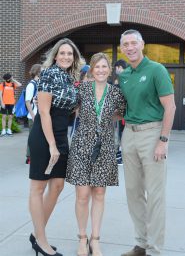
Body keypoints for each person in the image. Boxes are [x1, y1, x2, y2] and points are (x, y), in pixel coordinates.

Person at [119, 29, 176, 256]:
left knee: (155, 194)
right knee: (133, 192)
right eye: (126, 44)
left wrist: (163, 140)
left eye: (134, 43)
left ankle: (154, 249)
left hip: (152, 134)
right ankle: (141, 243)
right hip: (129, 135)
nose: (130, 48)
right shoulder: (124, 76)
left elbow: (170, 107)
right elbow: (123, 109)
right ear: (122, 48)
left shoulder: (156, 70)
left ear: (142, 44)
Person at [66, 53, 126, 256]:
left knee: (99, 193)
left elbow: (122, 113)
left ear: (110, 70)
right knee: (82, 195)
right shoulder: (82, 89)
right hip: (82, 144)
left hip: (106, 145)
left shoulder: (116, 93)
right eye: (97, 67)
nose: (101, 70)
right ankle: (82, 238)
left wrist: (106, 119)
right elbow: (70, 108)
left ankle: (95, 239)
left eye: (104, 66)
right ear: (91, 70)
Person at [28, 38, 82, 256]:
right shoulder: (49, 73)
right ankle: (41, 241)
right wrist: (52, 144)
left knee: (58, 185)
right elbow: (43, 112)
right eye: (63, 53)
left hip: (61, 135)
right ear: (56, 55)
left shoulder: (70, 78)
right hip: (44, 135)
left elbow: (73, 109)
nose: (66, 57)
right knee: (38, 188)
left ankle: (37, 232)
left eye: (70, 54)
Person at [25, 64, 42, 164]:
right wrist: (33, 116)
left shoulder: (39, 83)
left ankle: (35, 155)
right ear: (37, 72)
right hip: (33, 116)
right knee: (32, 137)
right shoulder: (31, 85)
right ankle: (29, 157)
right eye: (41, 71)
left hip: (39, 115)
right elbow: (27, 101)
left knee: (37, 137)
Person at [113, 59, 128, 164]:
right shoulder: (122, 78)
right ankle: (119, 153)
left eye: (116, 68)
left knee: (123, 133)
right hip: (121, 111)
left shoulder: (125, 78)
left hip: (124, 111)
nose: (115, 70)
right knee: (120, 133)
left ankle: (122, 156)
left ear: (119, 67)